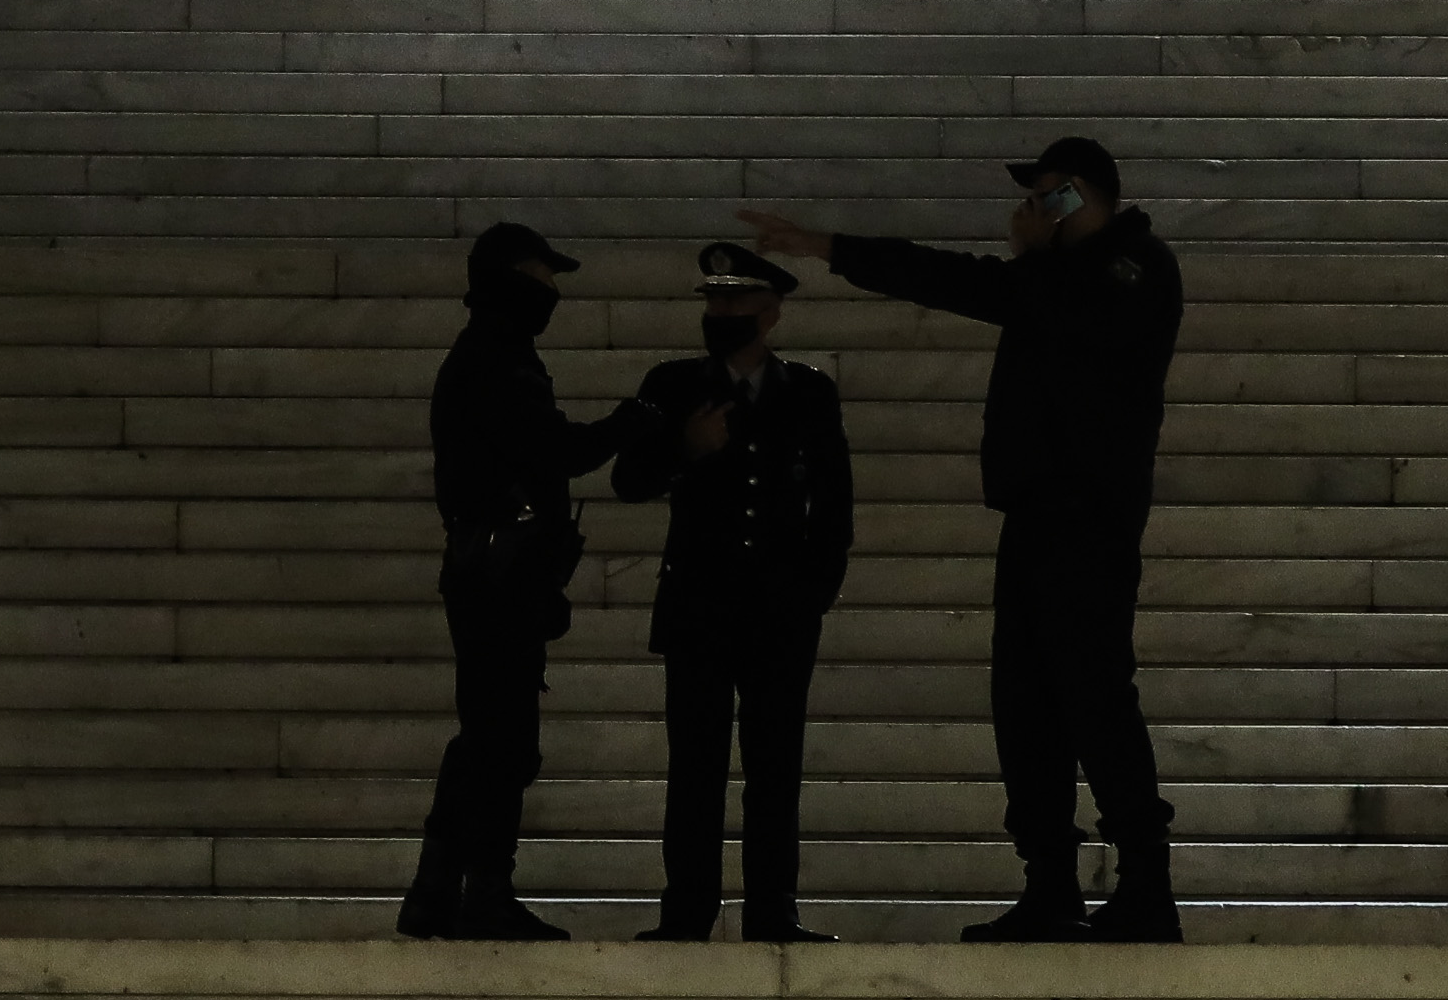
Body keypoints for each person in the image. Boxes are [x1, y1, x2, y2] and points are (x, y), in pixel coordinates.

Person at [748, 135, 1184, 944]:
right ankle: (1050, 880)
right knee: (1025, 705)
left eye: (1049, 195)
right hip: (1034, 515)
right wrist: (831, 249)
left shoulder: (1138, 268)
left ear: (1084, 196)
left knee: (1093, 695)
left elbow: (1072, 318)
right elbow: (954, 278)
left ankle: (1146, 882)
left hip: (1090, 519)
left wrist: (1032, 255)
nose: (1030, 211)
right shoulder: (1048, 277)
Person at [612, 244, 854, 944]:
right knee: (696, 765)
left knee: (775, 765)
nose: (719, 314)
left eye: (735, 303)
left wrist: (815, 591)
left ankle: (773, 910)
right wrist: (686, 448)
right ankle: (687, 909)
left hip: (780, 610)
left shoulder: (808, 391)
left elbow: (834, 505)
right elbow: (628, 478)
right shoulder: (672, 383)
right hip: (699, 607)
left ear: (770, 313)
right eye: (712, 301)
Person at [409, 222, 644, 943]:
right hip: (496, 576)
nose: (554, 291)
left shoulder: (490, 350)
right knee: (503, 740)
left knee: (487, 736)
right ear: (513, 275)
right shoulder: (496, 357)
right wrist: (623, 425)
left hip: (493, 570)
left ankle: (439, 889)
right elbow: (551, 447)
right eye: (545, 275)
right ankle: (482, 891)